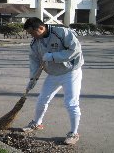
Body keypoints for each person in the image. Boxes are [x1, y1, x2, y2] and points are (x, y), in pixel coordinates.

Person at [22, 17, 84, 145]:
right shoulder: (35, 42)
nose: (32, 36)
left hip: (70, 72)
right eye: (30, 34)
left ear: (41, 27)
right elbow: (34, 60)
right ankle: (37, 123)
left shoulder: (61, 33)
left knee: (71, 103)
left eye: (32, 32)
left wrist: (53, 56)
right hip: (53, 74)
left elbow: (75, 50)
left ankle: (74, 133)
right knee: (42, 100)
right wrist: (33, 79)